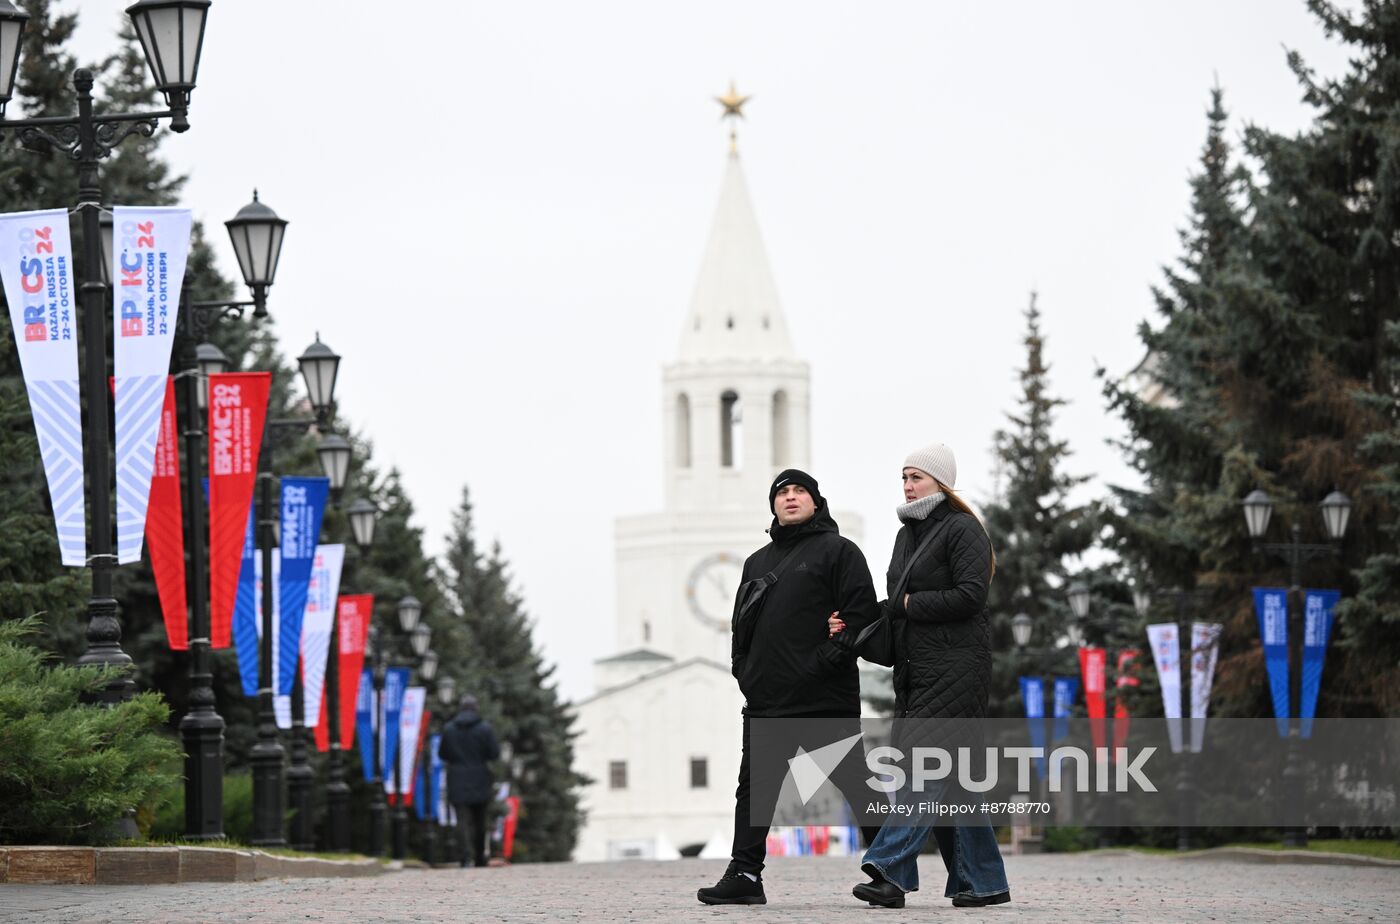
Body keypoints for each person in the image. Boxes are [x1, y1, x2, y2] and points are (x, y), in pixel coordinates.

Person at [830, 443, 1010, 909]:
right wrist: (852, 630)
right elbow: (894, 614)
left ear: (941, 482)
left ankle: (889, 870)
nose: (908, 485)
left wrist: (910, 605)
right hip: (917, 673)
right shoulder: (905, 535)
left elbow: (971, 595)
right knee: (952, 784)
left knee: (922, 771)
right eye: (904, 477)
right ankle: (983, 882)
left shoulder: (962, 528)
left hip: (957, 670)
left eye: (917, 477)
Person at [697, 469, 883, 906]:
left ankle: (888, 870)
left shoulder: (839, 552)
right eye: (783, 492)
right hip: (766, 701)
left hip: (823, 698)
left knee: (856, 784)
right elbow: (740, 626)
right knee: (754, 792)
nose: (791, 497)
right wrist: (744, 671)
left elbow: (860, 619)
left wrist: (823, 662)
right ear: (773, 505)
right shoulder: (756, 562)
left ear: (816, 502)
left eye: (800, 491)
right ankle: (744, 875)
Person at [439, 693, 501, 868]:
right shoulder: (485, 729)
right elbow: (494, 753)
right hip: (480, 777)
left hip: (457, 777)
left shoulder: (449, 729)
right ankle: (480, 857)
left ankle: (465, 858)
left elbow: (442, 754)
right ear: (476, 708)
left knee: (461, 820)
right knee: (480, 820)